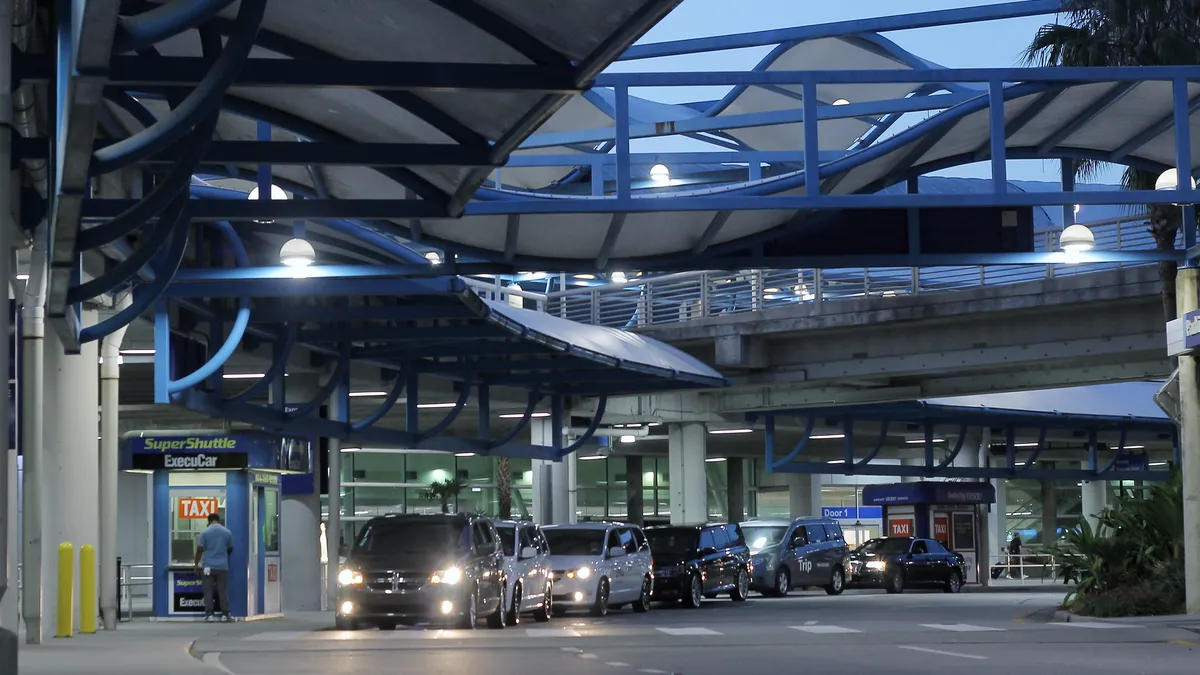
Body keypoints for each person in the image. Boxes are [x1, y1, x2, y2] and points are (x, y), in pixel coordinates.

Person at [194, 513, 234, 622]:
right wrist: (223, 555)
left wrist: (196, 564)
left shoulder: (204, 532)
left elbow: (199, 549)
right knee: (223, 591)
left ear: (208, 521)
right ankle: (225, 614)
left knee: (208, 591)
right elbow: (230, 548)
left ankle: (209, 614)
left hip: (208, 566)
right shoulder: (227, 532)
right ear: (218, 520)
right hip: (222, 566)